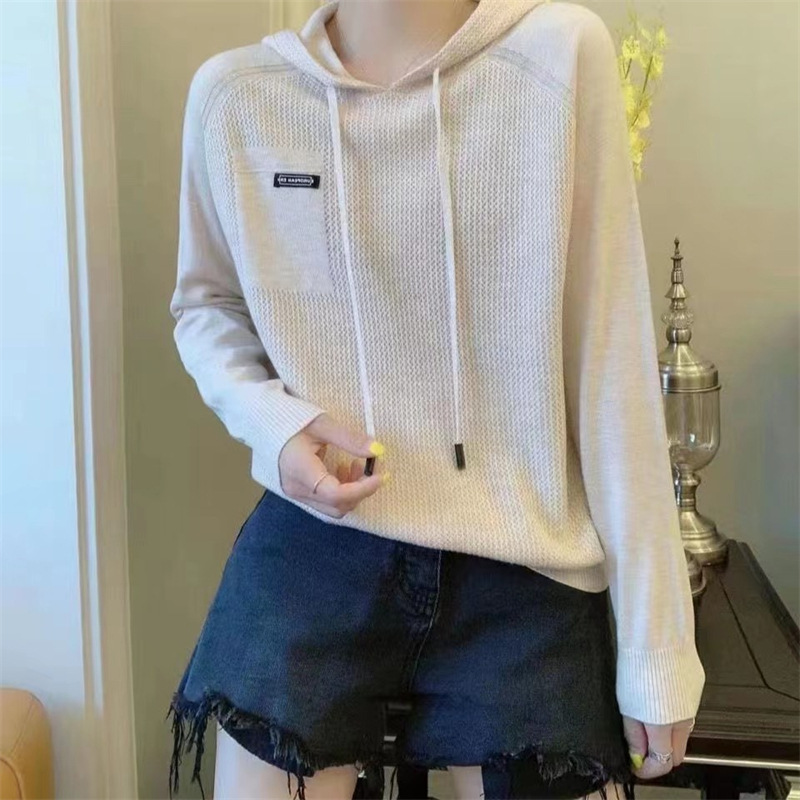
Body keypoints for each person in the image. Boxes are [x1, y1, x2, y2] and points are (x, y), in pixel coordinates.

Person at [166, 0, 705, 798]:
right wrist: (275, 425)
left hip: (524, 552)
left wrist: (658, 644)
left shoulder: (558, 57)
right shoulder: (236, 97)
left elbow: (609, 357)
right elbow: (205, 306)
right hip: (316, 542)